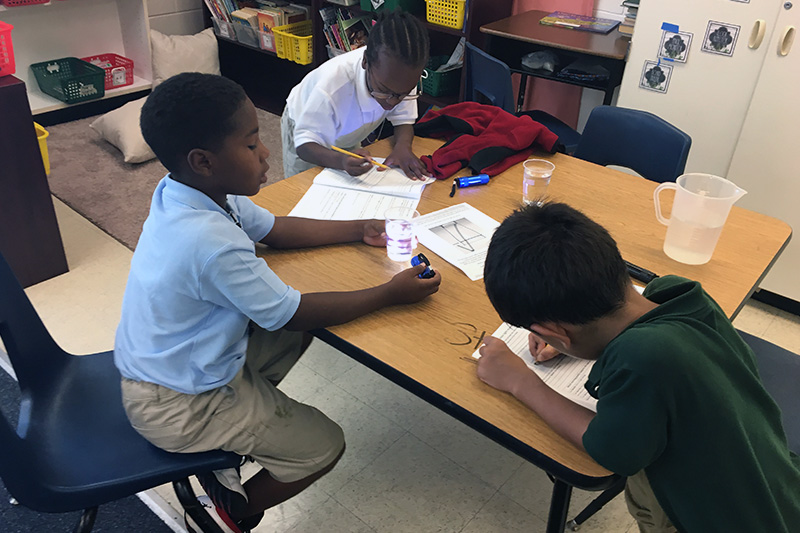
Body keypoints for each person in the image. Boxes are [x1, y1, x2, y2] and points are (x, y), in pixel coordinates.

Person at [115, 72, 442, 532]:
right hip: (178, 405)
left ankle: (244, 425)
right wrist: (389, 293)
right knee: (323, 446)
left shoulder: (191, 193)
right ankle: (231, 513)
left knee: (305, 324)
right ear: (203, 161)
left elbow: (275, 229)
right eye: (251, 145)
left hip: (174, 366)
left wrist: (358, 226)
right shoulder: (208, 241)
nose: (267, 152)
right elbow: (292, 313)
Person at [477, 202, 800, 532]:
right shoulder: (678, 294)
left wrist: (520, 381)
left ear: (554, 333)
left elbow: (613, 452)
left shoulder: (640, 358)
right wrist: (572, 341)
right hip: (777, 483)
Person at [281, 10, 430, 180]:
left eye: (402, 94)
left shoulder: (400, 77)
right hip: (306, 129)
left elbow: (403, 120)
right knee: (302, 187)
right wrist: (341, 161)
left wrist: (403, 147)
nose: (393, 102)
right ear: (365, 61)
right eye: (385, 90)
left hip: (347, 131)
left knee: (347, 185)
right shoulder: (332, 87)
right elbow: (305, 145)